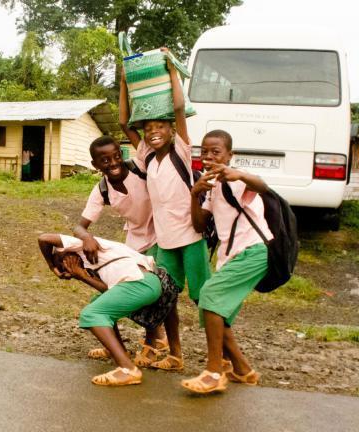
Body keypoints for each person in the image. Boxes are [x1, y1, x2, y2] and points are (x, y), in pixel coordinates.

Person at [119, 48, 211, 372]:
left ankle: (224, 359)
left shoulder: (182, 151)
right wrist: (123, 78)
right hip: (165, 242)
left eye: (160, 126)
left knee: (204, 298)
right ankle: (175, 355)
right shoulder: (147, 157)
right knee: (163, 297)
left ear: (172, 130)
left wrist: (172, 67)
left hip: (190, 238)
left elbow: (178, 106)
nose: (153, 131)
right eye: (148, 128)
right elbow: (122, 121)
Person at [182, 129, 271, 394]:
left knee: (209, 295)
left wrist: (240, 173)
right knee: (219, 315)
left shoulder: (236, 179)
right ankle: (243, 370)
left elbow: (263, 187)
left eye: (216, 152)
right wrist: (194, 194)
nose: (208, 156)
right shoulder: (212, 188)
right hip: (231, 256)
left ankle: (213, 372)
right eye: (204, 151)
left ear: (230, 155)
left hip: (254, 251)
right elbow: (199, 224)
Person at [72, 135, 167, 366]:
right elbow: (79, 225)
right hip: (135, 241)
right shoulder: (102, 188)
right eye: (105, 160)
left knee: (158, 292)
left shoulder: (139, 169)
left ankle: (155, 343)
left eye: (116, 156)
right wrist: (87, 237)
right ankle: (114, 345)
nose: (113, 163)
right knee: (116, 291)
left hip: (161, 235)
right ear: (95, 165)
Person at [38, 232, 166, 386]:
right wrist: (82, 276)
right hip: (146, 283)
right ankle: (119, 352)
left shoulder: (80, 245)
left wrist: (52, 266)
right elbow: (109, 291)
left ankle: (128, 369)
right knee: (97, 302)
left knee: (91, 314)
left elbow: (43, 238)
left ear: (64, 257)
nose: (69, 272)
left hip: (141, 284)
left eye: (65, 267)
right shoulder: (93, 259)